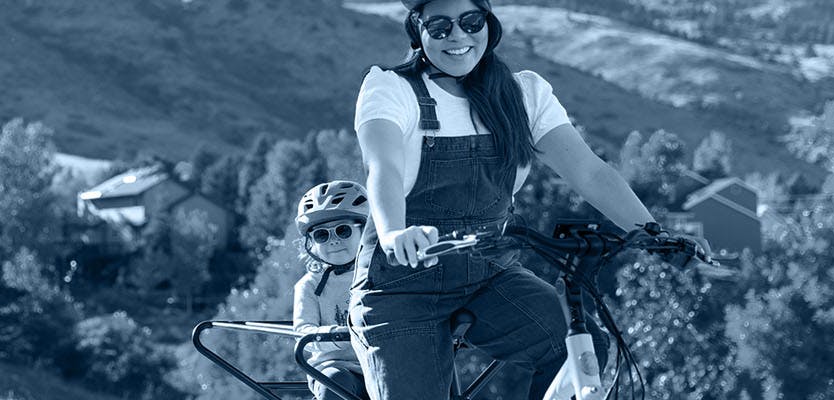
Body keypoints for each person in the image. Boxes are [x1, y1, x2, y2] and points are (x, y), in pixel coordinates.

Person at [348, 0, 708, 398]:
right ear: (418, 29)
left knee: (581, 350)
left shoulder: (523, 94)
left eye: (471, 21)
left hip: (490, 276)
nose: (458, 36)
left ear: (489, 24)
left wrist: (656, 237)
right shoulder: (391, 88)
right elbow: (384, 169)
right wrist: (394, 232)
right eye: (440, 27)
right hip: (401, 287)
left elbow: (590, 172)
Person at [292, 181, 372, 400]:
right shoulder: (309, 286)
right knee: (335, 383)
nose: (334, 240)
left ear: (364, 231)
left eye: (343, 230)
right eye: (322, 235)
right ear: (311, 243)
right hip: (337, 367)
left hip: (383, 364)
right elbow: (303, 331)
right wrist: (336, 335)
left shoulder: (382, 276)